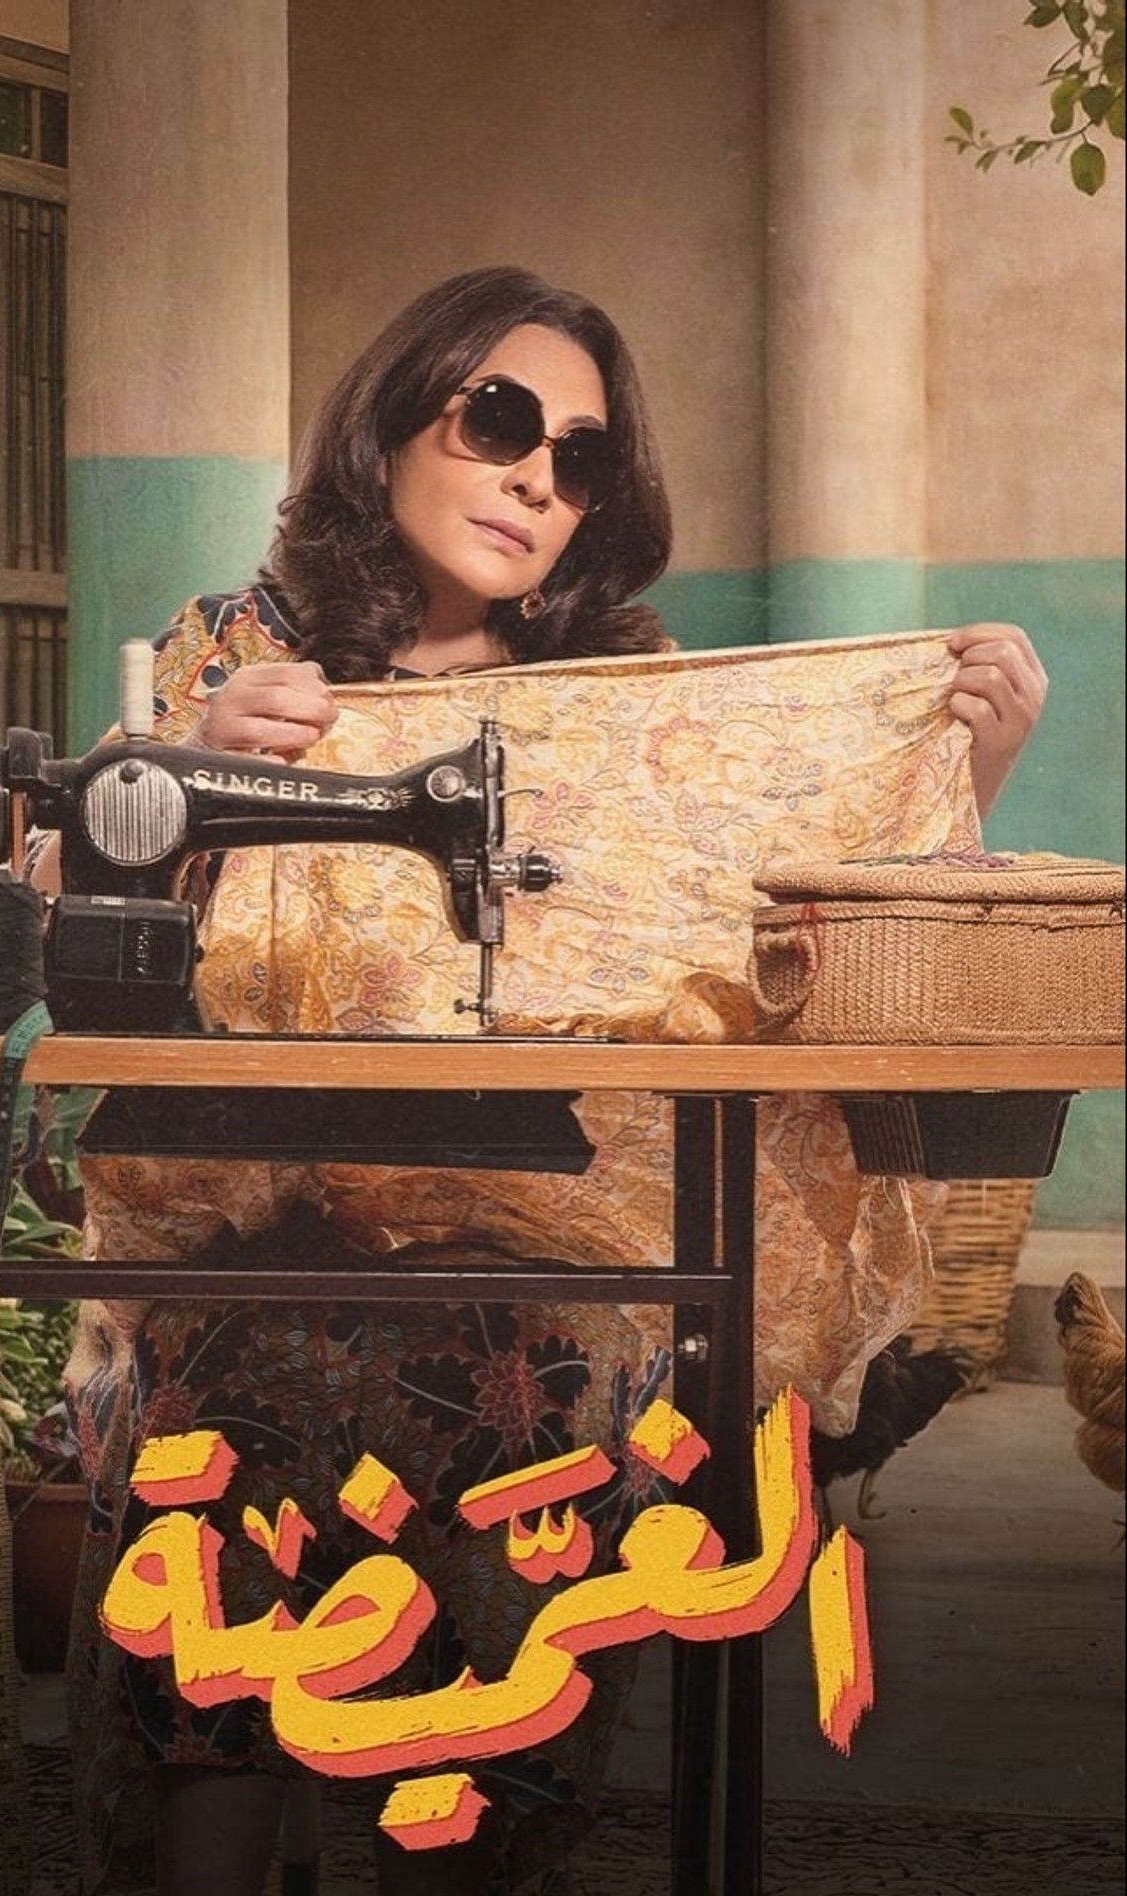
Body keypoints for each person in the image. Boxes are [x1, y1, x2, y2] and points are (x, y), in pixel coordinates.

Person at [59, 265, 1046, 1896]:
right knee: (241, 1395)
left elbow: (782, 957)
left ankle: (454, 1835)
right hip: (270, 1231)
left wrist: (962, 768)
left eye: (580, 459)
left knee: (531, 1393)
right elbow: (68, 908)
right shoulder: (230, 655)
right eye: (500, 421)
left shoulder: (640, 704)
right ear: (391, 427)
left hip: (567, 1252)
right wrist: (180, 773)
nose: (535, 479)